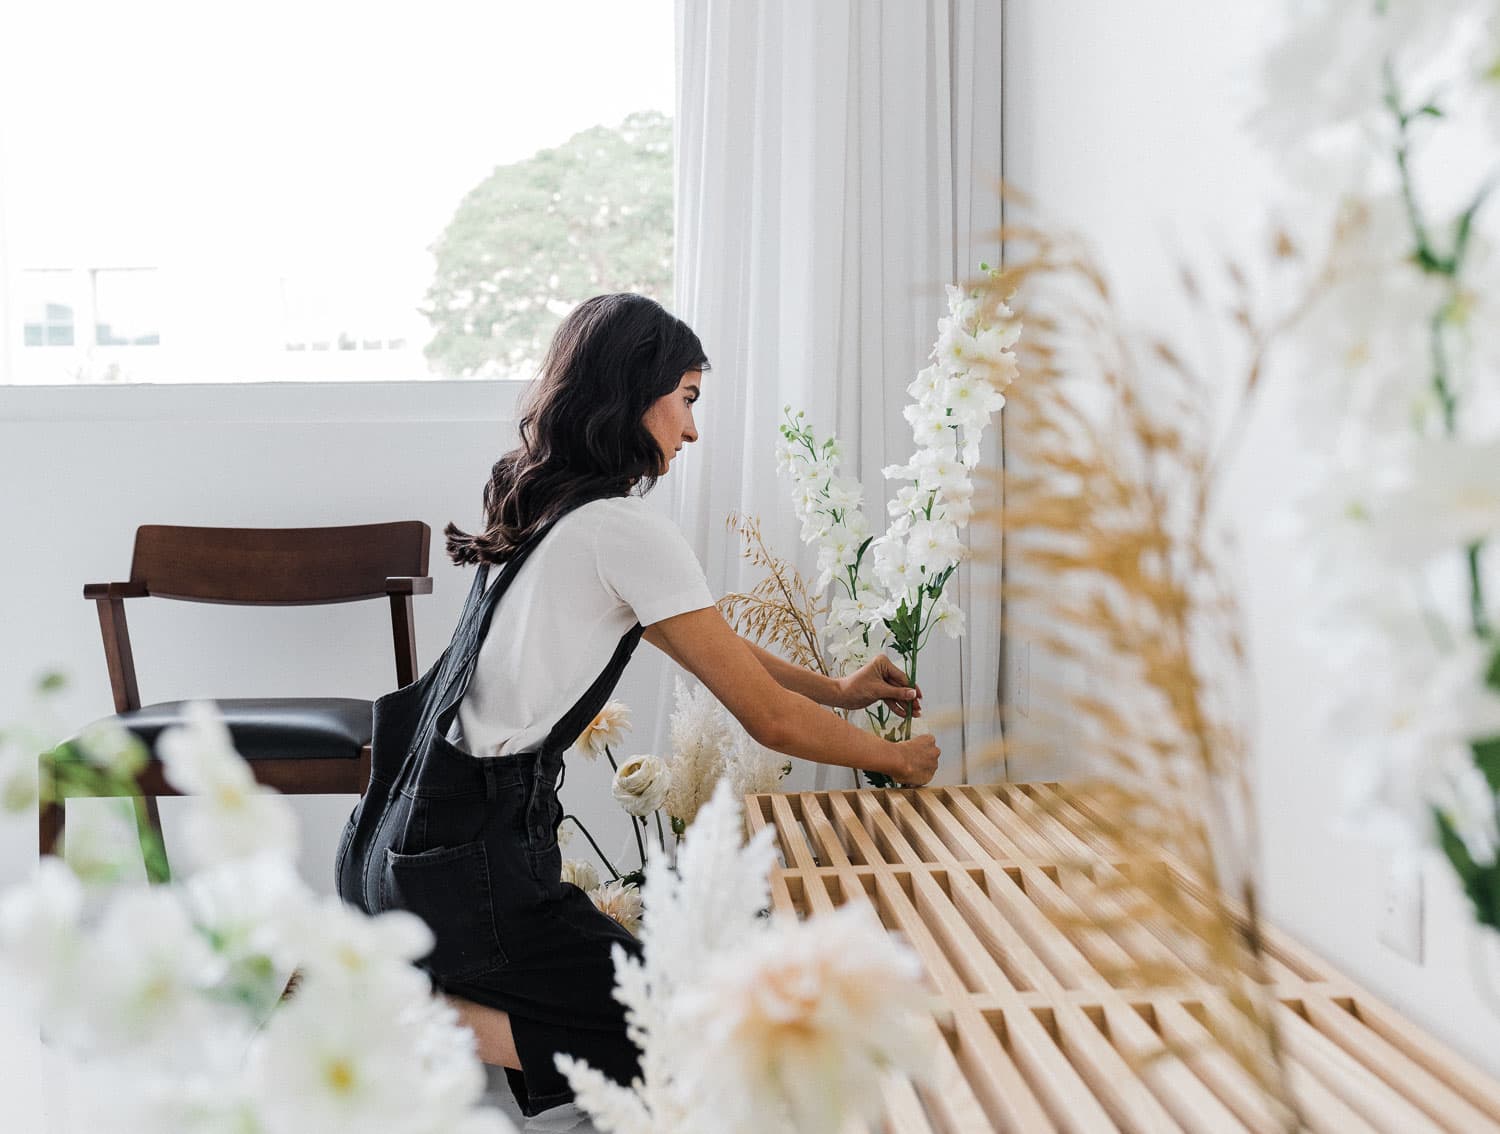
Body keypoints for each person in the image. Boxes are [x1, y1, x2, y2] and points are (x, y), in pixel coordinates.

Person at [345, 293, 940, 1117]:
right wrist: (898, 759)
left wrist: (837, 691)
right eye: (687, 398)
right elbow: (763, 718)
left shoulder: (543, 503)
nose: (691, 431)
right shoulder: (622, 530)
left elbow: (707, 643)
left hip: (403, 846)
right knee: (669, 1034)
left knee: (654, 1021)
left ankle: (411, 1004)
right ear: (635, 391)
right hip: (475, 869)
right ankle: (406, 1013)